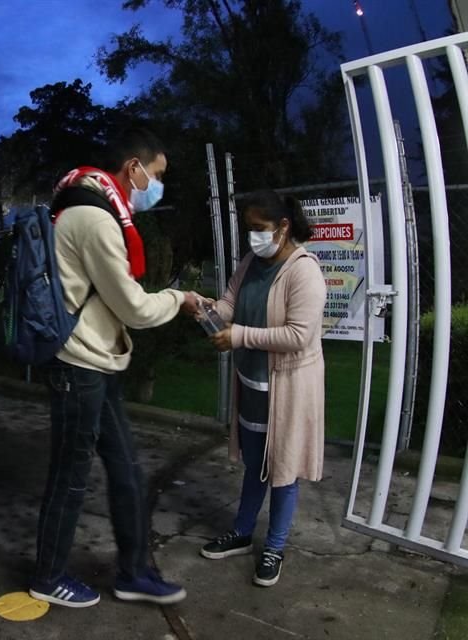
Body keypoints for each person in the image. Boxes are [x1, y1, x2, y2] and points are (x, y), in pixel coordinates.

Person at [28, 126, 201, 609]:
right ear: (134, 169)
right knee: (70, 474)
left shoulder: (89, 206)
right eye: (158, 175)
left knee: (126, 467)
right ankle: (47, 576)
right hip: (77, 366)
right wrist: (180, 298)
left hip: (99, 362)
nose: (157, 184)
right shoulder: (94, 218)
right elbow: (134, 309)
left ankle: (134, 572)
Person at [198, 189, 326, 588]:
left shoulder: (304, 271)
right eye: (248, 229)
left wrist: (238, 336)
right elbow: (230, 301)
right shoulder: (252, 261)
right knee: (256, 466)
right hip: (252, 385)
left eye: (259, 228)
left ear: (283, 227)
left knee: (283, 472)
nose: (252, 236)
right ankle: (241, 533)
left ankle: (275, 546)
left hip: (288, 390)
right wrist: (207, 310)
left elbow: (298, 336)